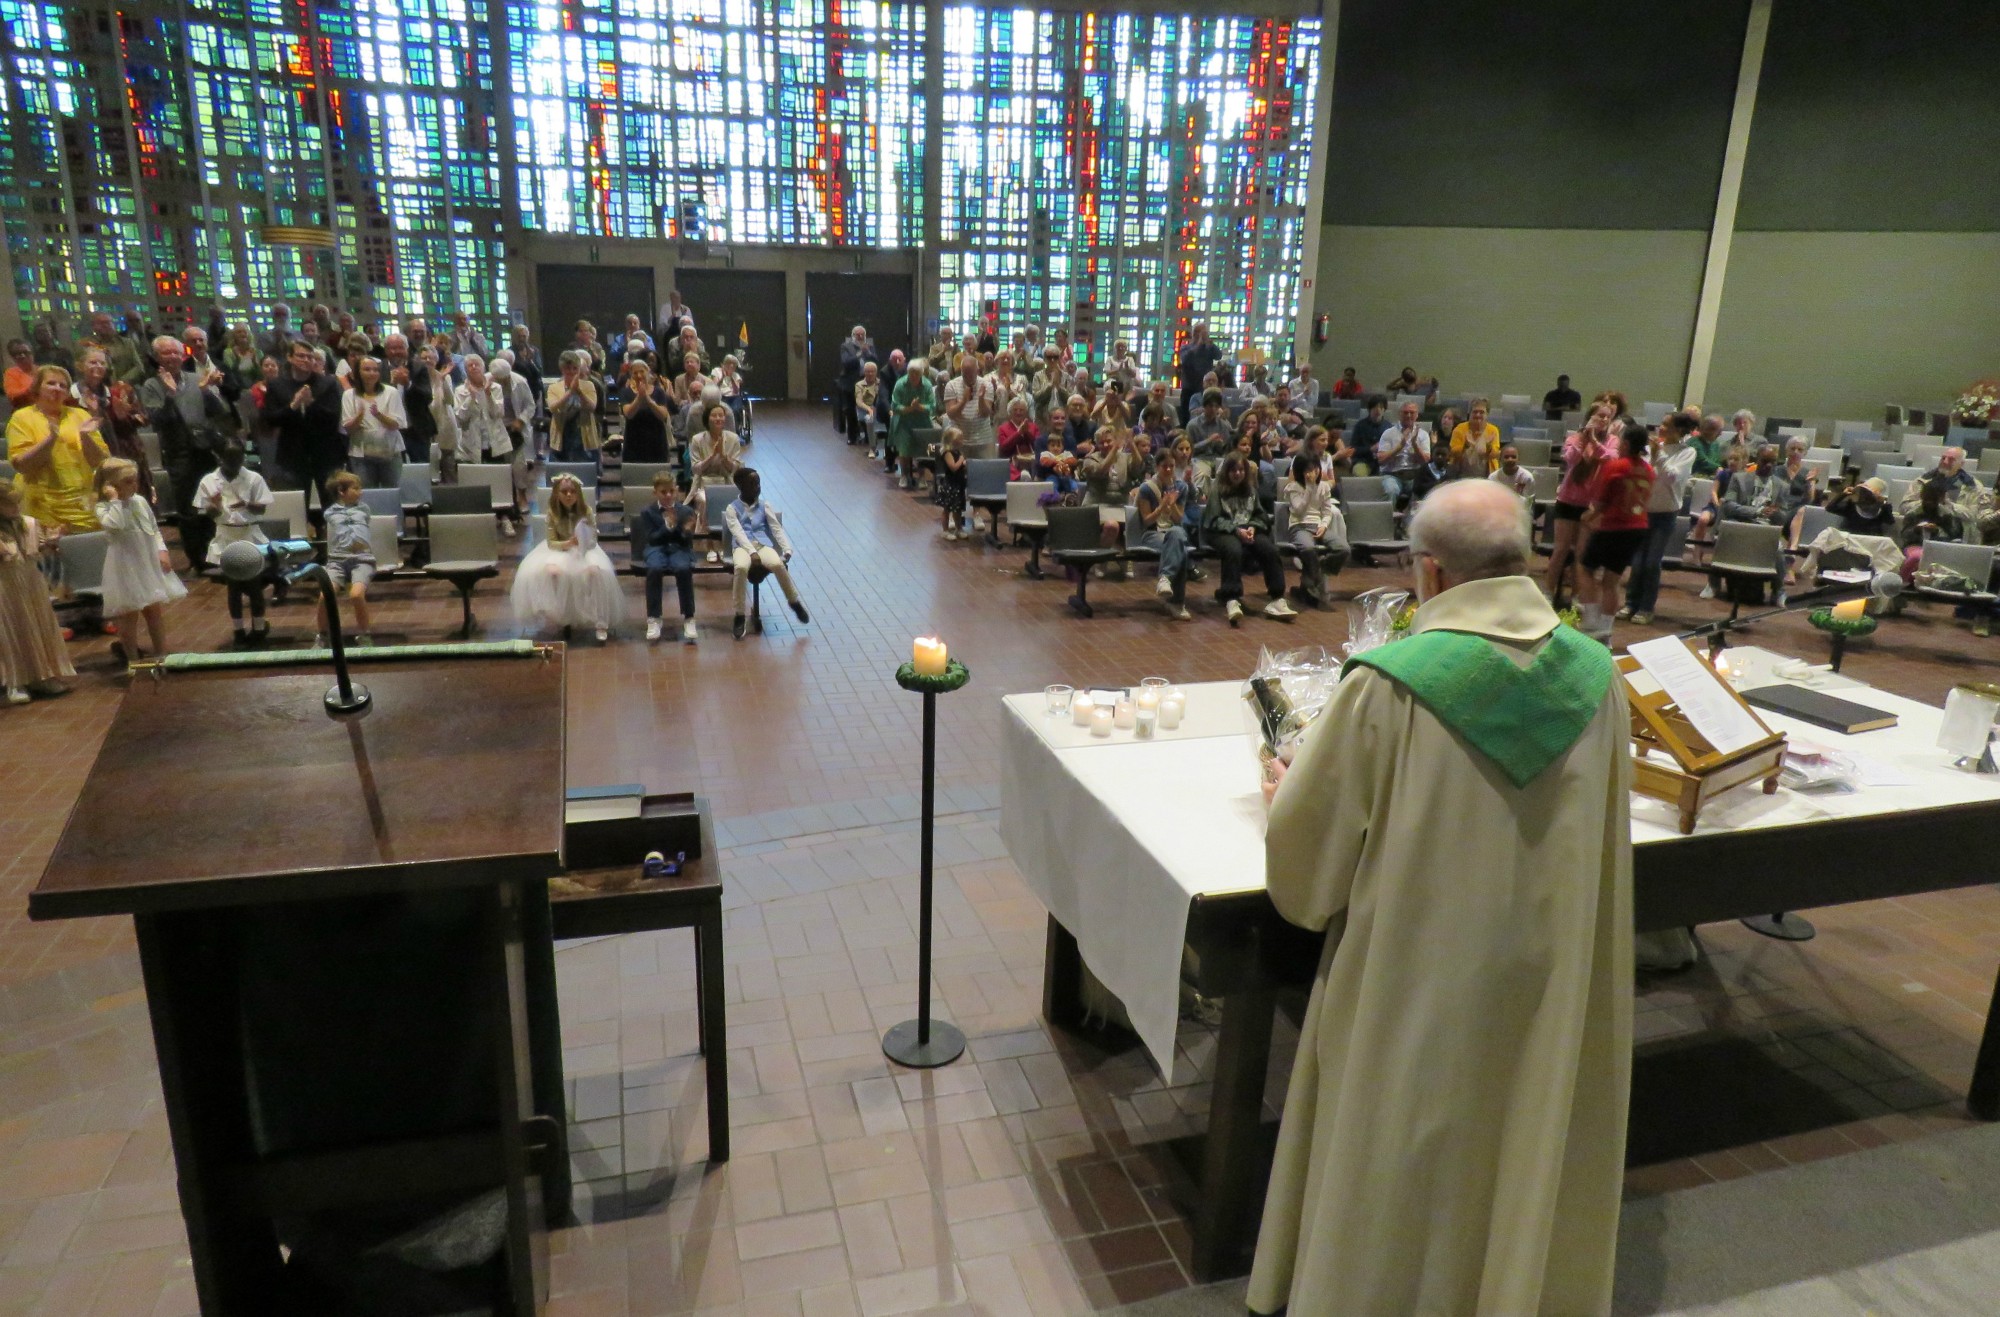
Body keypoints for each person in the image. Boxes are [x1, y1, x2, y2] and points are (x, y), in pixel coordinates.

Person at [1250, 478, 1630, 1317]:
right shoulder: (1598, 675)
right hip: (1544, 974)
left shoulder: (1392, 680)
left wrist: (1285, 800)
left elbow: (1308, 871)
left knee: (1402, 1137)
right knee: (1518, 1123)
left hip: (1416, 975)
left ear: (1429, 572)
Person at [511, 472, 621, 642]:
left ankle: (601, 622)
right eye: (564, 492)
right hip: (560, 551)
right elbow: (551, 543)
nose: (569, 495)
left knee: (596, 573)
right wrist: (568, 543)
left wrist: (583, 543)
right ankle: (561, 616)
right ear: (557, 494)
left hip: (585, 551)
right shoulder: (552, 513)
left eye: (572, 491)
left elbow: (593, 539)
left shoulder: (586, 511)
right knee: (553, 572)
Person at [94, 457, 184, 663]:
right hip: (125, 565)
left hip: (146, 562)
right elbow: (116, 525)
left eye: (135, 480)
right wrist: (115, 501)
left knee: (154, 610)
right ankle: (133, 660)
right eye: (128, 482)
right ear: (111, 485)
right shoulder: (104, 507)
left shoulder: (141, 502)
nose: (134, 485)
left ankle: (161, 654)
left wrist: (162, 551)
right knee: (128, 615)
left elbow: (153, 529)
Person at [1576, 420, 1655, 640]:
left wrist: (1586, 517)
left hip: (1614, 527)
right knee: (1611, 580)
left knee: (1585, 569)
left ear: (1627, 444)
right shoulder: (1648, 470)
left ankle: (1591, 621)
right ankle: (1606, 629)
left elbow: (1601, 503)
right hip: (1638, 528)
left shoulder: (1616, 466)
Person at [7, 365, 108, 537]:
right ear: (37, 388)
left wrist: (85, 436)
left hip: (83, 503)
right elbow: (22, 466)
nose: (57, 389)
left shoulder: (80, 415)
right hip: (42, 506)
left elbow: (101, 462)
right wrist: (51, 439)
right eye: (51, 383)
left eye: (63, 386)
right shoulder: (21, 417)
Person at [0, 481, 74, 703]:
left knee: (38, 629)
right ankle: (15, 681)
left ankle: (42, 676)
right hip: (5, 588)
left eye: (17, 503)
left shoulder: (30, 524)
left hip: (32, 585)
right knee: (11, 632)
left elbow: (42, 552)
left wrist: (51, 542)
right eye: (9, 505)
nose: (16, 509)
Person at [1621, 412, 1697, 625]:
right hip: (1643, 511)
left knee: (1652, 562)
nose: (1660, 428)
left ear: (1679, 430)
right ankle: (1630, 602)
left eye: (1665, 425)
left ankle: (1646, 608)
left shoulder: (1687, 452)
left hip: (1665, 514)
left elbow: (1671, 477)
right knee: (1637, 560)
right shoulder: (1650, 450)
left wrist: (1660, 454)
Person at [194, 440, 272, 639]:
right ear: (220, 458)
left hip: (249, 534)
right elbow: (208, 513)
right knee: (234, 587)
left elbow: (262, 508)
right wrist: (215, 505)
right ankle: (238, 630)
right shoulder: (208, 480)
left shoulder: (253, 478)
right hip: (226, 536)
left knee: (254, 585)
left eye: (239, 457)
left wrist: (245, 504)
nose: (236, 462)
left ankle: (259, 628)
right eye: (230, 458)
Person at [1204, 454, 1293, 624]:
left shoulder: (1251, 491)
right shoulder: (1218, 491)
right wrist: (1236, 531)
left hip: (1248, 529)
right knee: (1233, 549)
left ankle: (1277, 598)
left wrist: (1253, 526)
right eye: (1233, 470)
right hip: (1223, 532)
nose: (1237, 474)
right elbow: (1214, 519)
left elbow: (1259, 514)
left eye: (1240, 470)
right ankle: (1232, 598)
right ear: (1227, 472)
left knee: (1269, 549)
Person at [723, 467, 809, 640]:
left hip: (763, 545)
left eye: (758, 483)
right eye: (752, 484)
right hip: (742, 547)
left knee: (777, 564)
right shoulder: (732, 509)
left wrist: (787, 549)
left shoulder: (765, 505)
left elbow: (776, 528)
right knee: (740, 567)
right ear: (740, 486)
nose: (757, 487)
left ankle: (793, 601)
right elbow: (738, 532)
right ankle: (739, 614)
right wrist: (751, 552)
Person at [261, 339, 344, 499]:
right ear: (289, 358)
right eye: (301, 356)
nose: (306, 360)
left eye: (310, 357)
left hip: (324, 453)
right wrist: (293, 406)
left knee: (332, 504)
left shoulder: (328, 383)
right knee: (295, 506)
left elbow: (333, 417)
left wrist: (311, 404)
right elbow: (270, 419)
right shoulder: (276, 385)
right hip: (292, 454)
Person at [1789, 477, 1905, 589]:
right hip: (1848, 547)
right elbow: (1830, 507)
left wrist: (1882, 503)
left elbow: (1890, 523)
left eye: (1868, 494)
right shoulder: (1850, 506)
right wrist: (1844, 494)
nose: (1865, 497)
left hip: (1868, 549)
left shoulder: (1883, 511)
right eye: (1863, 493)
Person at [1548, 404, 1610, 603]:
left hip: (1590, 505)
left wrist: (1594, 441)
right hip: (1567, 500)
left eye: (1607, 417)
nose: (1604, 420)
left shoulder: (1611, 440)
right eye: (1599, 416)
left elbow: (1610, 459)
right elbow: (1572, 459)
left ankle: (1576, 596)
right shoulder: (1575, 438)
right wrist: (1585, 437)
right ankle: (1547, 593)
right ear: (1590, 417)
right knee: (1561, 549)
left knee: (1581, 555)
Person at [639, 470, 700, 645]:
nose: (668, 495)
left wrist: (687, 532)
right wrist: (668, 526)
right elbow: (651, 538)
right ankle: (654, 618)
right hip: (656, 549)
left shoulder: (686, 510)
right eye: (663, 492)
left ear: (677, 490)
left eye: (671, 491)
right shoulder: (647, 512)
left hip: (679, 549)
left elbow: (686, 541)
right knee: (654, 569)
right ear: (655, 493)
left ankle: (689, 618)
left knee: (683, 569)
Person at [1133, 449, 1195, 620]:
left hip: (1174, 532)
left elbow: (1179, 518)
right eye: (1164, 466)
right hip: (1152, 534)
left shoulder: (1181, 487)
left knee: (1176, 535)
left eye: (1171, 466)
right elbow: (1146, 520)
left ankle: (1165, 578)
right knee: (1179, 548)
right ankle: (1177, 602)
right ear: (1157, 467)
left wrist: (1172, 504)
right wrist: (1161, 507)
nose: (1168, 470)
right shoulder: (1146, 488)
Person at [317, 471, 375, 648]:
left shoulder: (364, 509)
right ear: (341, 491)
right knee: (324, 595)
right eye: (355, 488)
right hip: (337, 560)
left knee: (356, 595)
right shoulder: (330, 513)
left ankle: (365, 635)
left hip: (362, 559)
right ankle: (322, 636)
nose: (361, 492)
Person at [1283, 452, 1348, 610]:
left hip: (1318, 526)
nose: (1313, 473)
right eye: (1308, 470)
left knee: (1343, 548)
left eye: (1315, 468)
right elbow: (1298, 510)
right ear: (1300, 471)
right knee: (1308, 548)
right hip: (1299, 526)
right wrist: (1309, 488)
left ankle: (1315, 572)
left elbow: (1326, 511)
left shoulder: (1324, 486)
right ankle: (1311, 581)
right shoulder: (1292, 488)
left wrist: (1324, 526)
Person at [339, 354, 407, 490]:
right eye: (367, 369)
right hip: (361, 455)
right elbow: (348, 429)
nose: (372, 373)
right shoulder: (349, 395)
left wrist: (378, 415)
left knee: (392, 493)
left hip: (390, 453)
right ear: (357, 373)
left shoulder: (391, 392)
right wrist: (359, 416)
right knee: (366, 494)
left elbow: (397, 424)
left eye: (375, 370)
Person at [888, 359, 935, 491]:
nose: (913, 376)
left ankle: (921, 477)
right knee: (904, 450)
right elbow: (895, 406)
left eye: (916, 373)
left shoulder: (926, 385)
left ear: (921, 373)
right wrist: (910, 408)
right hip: (904, 421)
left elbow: (932, 406)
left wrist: (918, 407)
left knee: (923, 450)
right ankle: (904, 475)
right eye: (911, 373)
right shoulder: (900, 384)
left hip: (922, 421)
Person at [546, 350, 600, 464]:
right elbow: (553, 408)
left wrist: (579, 391)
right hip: (562, 435)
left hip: (583, 436)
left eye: (575, 368)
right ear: (562, 369)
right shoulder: (553, 388)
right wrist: (570, 392)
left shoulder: (589, 385)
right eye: (568, 368)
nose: (571, 372)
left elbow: (592, 407)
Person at [1373, 400, 1430, 507]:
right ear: (1399, 414)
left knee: (1426, 490)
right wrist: (1400, 447)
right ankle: (1387, 520)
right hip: (1392, 475)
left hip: (1414, 475)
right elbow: (1381, 460)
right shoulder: (1388, 433)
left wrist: (1415, 444)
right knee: (1391, 490)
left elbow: (1426, 461)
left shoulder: (1423, 435)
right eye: (1405, 412)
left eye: (1412, 413)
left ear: (1417, 415)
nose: (1408, 415)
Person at [942, 354, 1000, 457]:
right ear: (961, 371)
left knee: (982, 471)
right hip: (957, 439)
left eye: (971, 375)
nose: (968, 378)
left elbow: (985, 413)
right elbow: (951, 414)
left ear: (977, 371)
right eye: (965, 375)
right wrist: (964, 400)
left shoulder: (987, 385)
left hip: (981, 439)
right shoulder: (951, 385)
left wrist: (981, 399)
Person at [619, 359, 674, 464]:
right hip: (633, 443)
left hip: (656, 442)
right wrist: (639, 397)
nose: (639, 375)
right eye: (635, 373)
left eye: (641, 371)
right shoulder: (625, 392)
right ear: (631, 375)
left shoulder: (659, 392)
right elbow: (628, 414)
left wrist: (648, 400)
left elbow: (663, 415)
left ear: (647, 372)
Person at [689, 401, 743, 503]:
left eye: (721, 416)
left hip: (727, 482)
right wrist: (712, 456)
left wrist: (723, 456)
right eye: (714, 416)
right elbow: (695, 469)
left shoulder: (733, 438)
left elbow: (736, 468)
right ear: (707, 419)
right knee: (704, 501)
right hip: (703, 483)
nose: (718, 418)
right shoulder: (697, 439)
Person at [834, 325, 876, 442]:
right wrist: (859, 354)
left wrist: (868, 353)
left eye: (863, 335)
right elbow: (846, 362)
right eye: (858, 335)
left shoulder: (870, 346)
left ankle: (868, 436)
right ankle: (852, 437)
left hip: (866, 382)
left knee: (868, 408)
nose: (860, 337)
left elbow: (876, 361)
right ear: (853, 336)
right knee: (850, 409)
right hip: (850, 382)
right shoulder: (845, 346)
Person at [1176, 321, 1223, 418]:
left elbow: (1219, 356)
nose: (1201, 335)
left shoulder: (1209, 347)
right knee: (1186, 416)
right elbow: (1185, 359)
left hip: (1204, 388)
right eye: (1199, 332)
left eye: (1204, 332)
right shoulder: (1186, 347)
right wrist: (1198, 344)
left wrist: (1210, 344)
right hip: (1189, 387)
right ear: (1194, 333)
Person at [933, 426, 968, 541]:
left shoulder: (957, 451)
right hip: (950, 484)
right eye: (960, 439)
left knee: (957, 509)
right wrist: (961, 459)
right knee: (947, 508)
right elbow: (953, 467)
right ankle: (945, 530)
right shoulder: (947, 452)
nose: (962, 441)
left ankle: (959, 528)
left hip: (958, 483)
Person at [3, 339, 35, 406]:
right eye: (18, 354)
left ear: (32, 353)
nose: (22, 356)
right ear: (13, 357)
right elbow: (13, 396)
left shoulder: (43, 370)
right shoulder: (11, 373)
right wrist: (34, 387)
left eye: (25, 352)